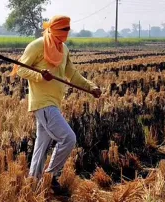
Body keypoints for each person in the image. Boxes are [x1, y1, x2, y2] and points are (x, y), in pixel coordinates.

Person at [16, 15, 102, 192]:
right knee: (68, 138)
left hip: (54, 103)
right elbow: (21, 69)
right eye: (64, 29)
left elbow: (72, 74)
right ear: (54, 28)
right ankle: (50, 176)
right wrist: (40, 75)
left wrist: (91, 87)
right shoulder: (37, 45)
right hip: (43, 103)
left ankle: (34, 184)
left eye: (68, 29)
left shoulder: (63, 49)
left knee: (41, 147)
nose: (66, 33)